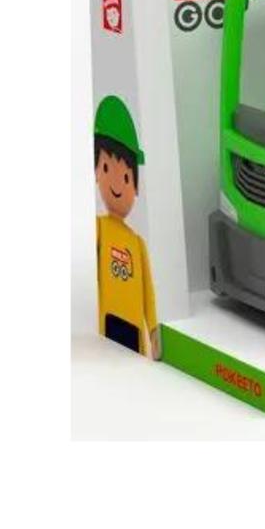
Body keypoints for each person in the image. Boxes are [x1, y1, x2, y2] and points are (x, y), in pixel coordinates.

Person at [93, 95, 159, 359]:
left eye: (126, 176)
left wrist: (153, 330)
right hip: (107, 324)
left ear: (135, 185)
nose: (118, 184)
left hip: (134, 333)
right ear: (97, 171)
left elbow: (148, 293)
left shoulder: (137, 243)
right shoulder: (98, 228)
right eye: (107, 167)